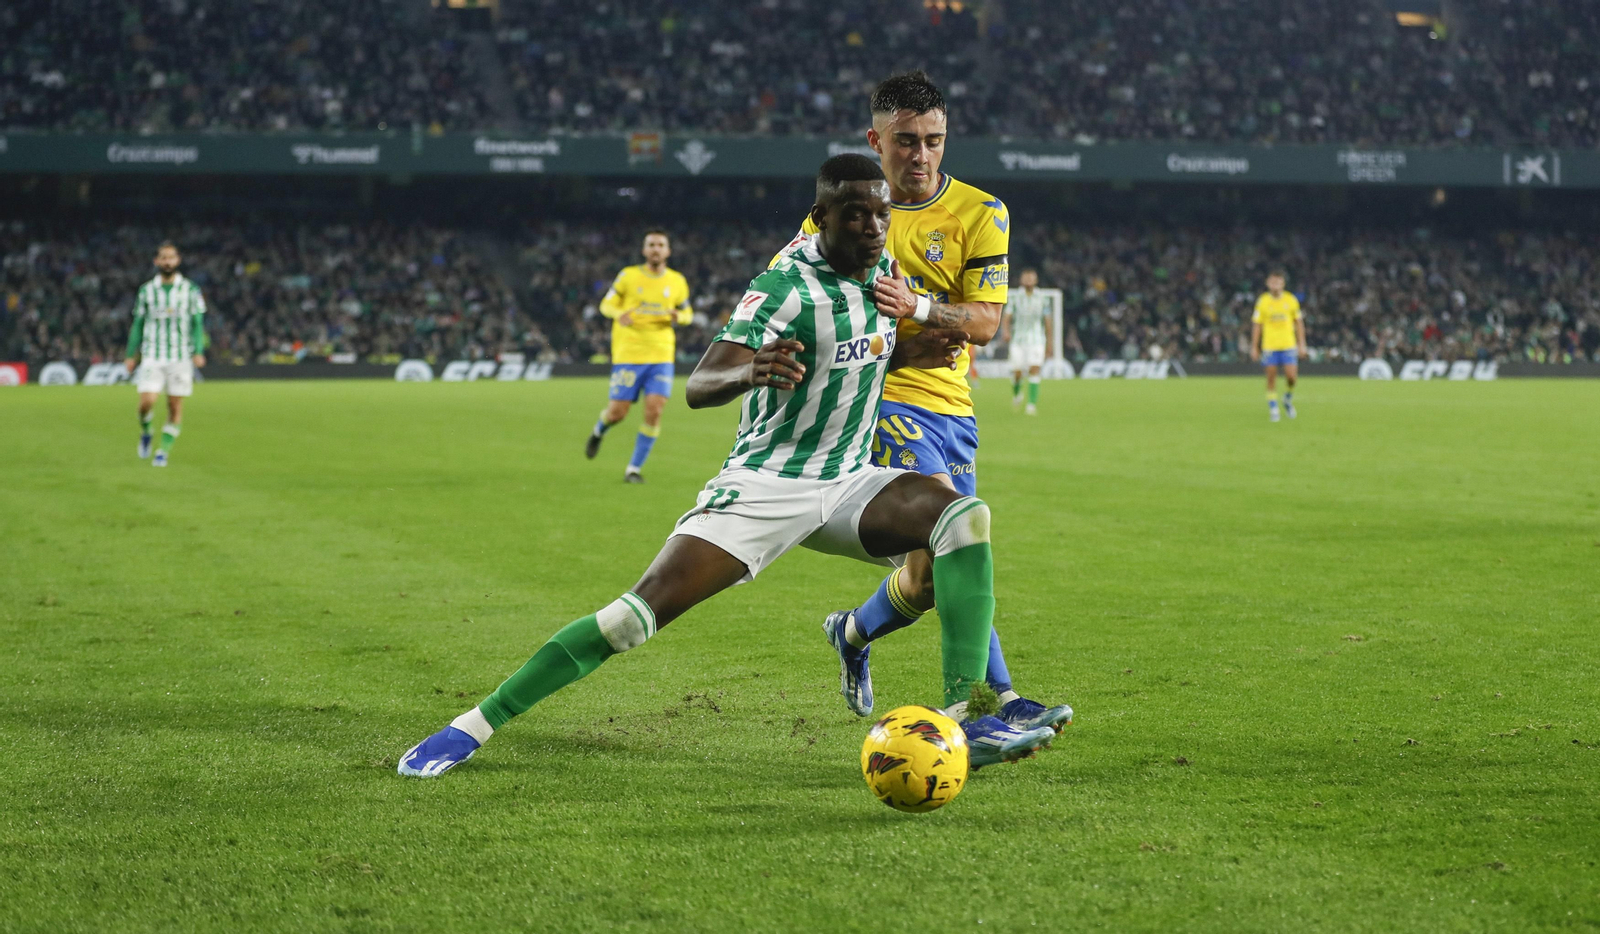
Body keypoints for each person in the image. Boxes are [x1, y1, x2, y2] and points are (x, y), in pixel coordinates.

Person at [399, 156, 1057, 778]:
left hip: (850, 481)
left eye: (880, 214)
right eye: (855, 214)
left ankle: (968, 714)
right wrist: (751, 369)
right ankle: (472, 725)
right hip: (766, 486)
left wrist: (917, 353)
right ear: (821, 218)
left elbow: (861, 352)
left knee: (962, 519)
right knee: (630, 620)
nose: (871, 227)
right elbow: (701, 382)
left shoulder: (884, 276)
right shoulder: (784, 287)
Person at [777, 71, 1071, 732]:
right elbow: (807, 310)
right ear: (874, 140)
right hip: (881, 400)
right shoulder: (840, 215)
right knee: (954, 535)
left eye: (933, 140)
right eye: (906, 140)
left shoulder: (982, 212)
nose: (921, 155)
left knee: (929, 578)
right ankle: (992, 705)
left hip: (952, 408)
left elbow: (986, 323)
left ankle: (852, 631)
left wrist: (918, 307)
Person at [584, 230, 693, 483]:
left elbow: (688, 313)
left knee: (654, 411)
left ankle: (633, 469)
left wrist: (679, 317)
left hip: (661, 355)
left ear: (668, 251)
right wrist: (618, 314)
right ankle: (599, 431)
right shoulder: (628, 276)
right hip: (629, 354)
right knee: (617, 413)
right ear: (644, 250)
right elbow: (606, 304)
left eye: (660, 245)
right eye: (651, 244)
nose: (656, 249)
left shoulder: (677, 281)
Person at [124, 242, 206, 467]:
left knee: (174, 405)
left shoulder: (190, 290)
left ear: (178, 260)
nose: (167, 262)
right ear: (157, 261)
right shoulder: (146, 291)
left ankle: (163, 452)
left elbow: (197, 322)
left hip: (180, 356)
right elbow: (138, 324)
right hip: (152, 354)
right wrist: (131, 354)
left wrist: (198, 351)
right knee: (146, 402)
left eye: (171, 257)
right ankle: (147, 431)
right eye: (163, 258)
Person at [1250, 268, 1306, 422]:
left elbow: (1299, 323)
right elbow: (1257, 325)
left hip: (1288, 345)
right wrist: (1254, 346)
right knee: (1271, 378)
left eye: (1278, 282)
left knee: (1292, 377)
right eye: (1272, 282)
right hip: (1270, 346)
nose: (1275, 285)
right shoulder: (1262, 301)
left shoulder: (1290, 300)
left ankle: (1287, 398)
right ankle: (1274, 408)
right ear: (1268, 283)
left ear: (1283, 284)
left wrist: (1302, 344)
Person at [1003, 269, 1052, 415]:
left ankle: (1031, 404)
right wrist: (1006, 331)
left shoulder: (1043, 298)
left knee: (1034, 369)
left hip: (1037, 339)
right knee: (1017, 372)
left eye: (1031, 278)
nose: (1029, 281)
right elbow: (1007, 317)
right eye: (1026, 278)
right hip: (1018, 339)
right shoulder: (1015, 297)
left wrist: (1050, 342)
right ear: (1021, 280)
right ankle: (1017, 393)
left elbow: (1047, 321)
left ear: (1036, 280)